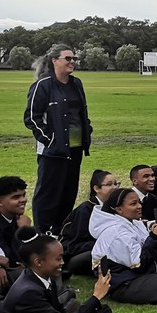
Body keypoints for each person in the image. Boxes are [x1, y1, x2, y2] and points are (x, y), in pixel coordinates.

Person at [23, 44, 92, 232]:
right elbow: (31, 117)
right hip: (53, 151)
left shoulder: (76, 83)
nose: (72, 62)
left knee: (68, 193)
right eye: (68, 59)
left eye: (74, 59)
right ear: (55, 60)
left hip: (76, 149)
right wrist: (49, 139)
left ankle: (61, 231)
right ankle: (43, 232)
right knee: (48, 195)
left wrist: (88, 130)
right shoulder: (42, 85)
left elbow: (81, 112)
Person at [59, 169, 119, 276]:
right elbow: (73, 246)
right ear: (96, 188)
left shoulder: (114, 207)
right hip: (76, 256)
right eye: (109, 184)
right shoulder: (85, 210)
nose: (114, 187)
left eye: (116, 184)